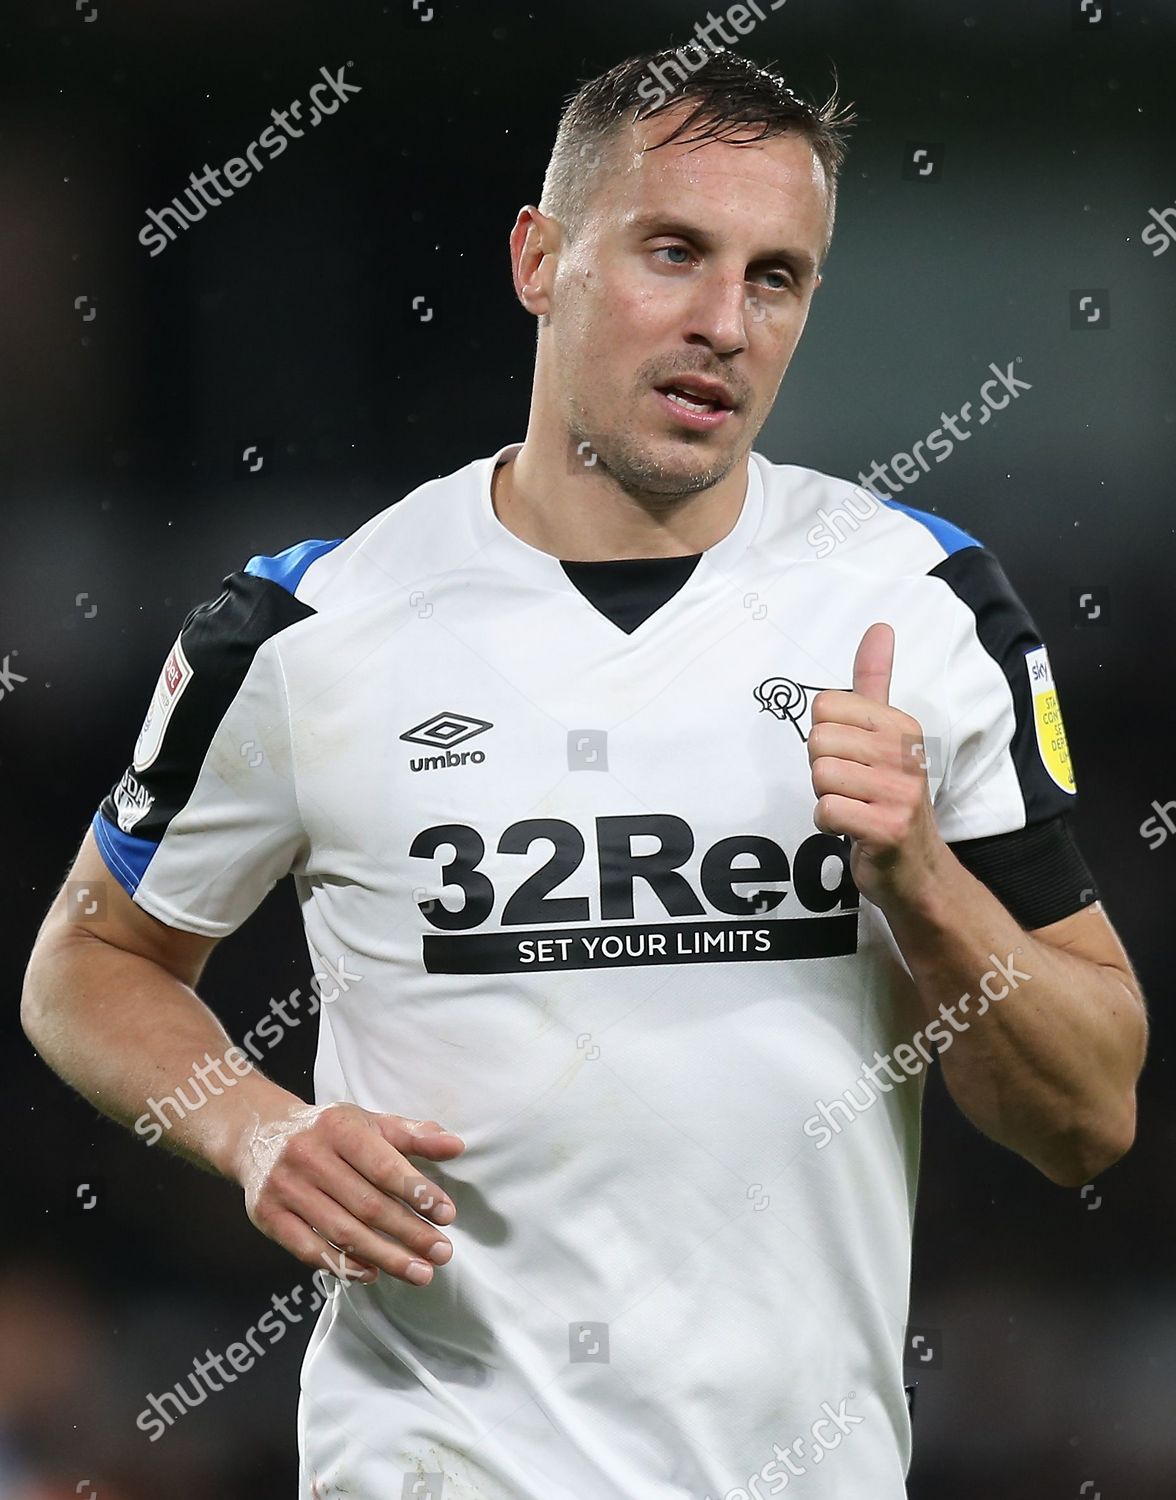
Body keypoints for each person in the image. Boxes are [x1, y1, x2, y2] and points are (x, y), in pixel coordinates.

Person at [22, 45, 1147, 1500]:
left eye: (776, 276)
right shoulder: (310, 626)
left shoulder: (923, 607)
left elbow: (1088, 1117)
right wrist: (257, 1131)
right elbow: (88, 964)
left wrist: (921, 880)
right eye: (673, 252)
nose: (724, 322)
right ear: (540, 259)